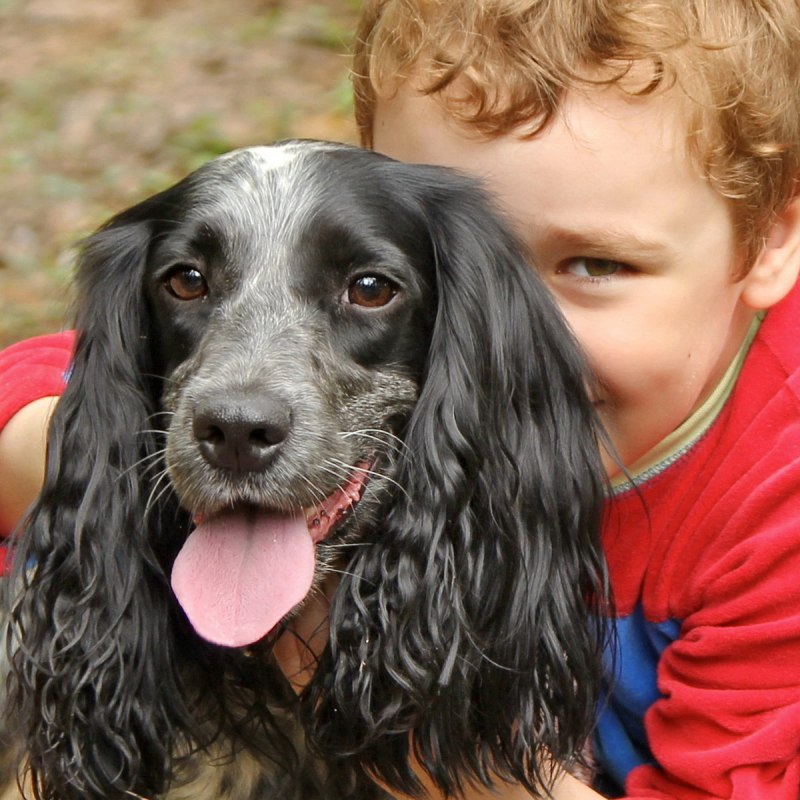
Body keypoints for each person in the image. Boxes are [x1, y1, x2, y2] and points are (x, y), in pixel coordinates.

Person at [2, 0, 800, 797]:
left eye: (593, 265)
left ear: (768, 240)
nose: (500, 334)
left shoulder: (777, 501)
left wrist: (444, 751)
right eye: (457, 272)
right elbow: (44, 383)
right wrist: (85, 463)